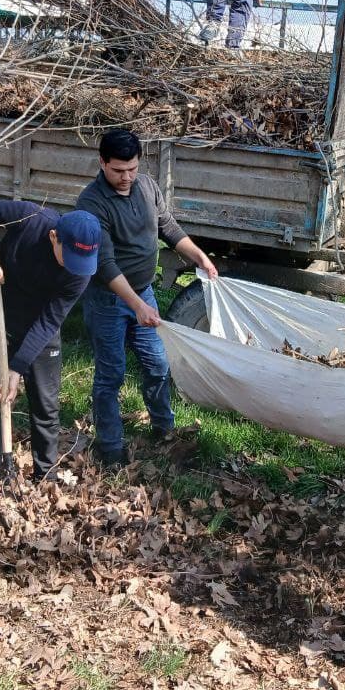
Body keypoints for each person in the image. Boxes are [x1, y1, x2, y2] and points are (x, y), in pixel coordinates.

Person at [76, 129, 219, 468]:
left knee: (157, 364)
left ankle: (163, 428)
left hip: (143, 293)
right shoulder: (92, 203)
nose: (126, 178)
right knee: (111, 373)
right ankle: (109, 446)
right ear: (101, 163)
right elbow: (105, 265)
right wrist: (137, 306)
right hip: (108, 301)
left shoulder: (147, 187)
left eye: (132, 169)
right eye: (118, 171)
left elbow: (167, 227)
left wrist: (199, 256)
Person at [0, 198, 102, 490]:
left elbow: (49, 321)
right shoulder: (31, 218)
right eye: (68, 256)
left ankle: (45, 479)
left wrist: (17, 368)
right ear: (53, 237)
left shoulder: (81, 273)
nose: (74, 267)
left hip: (41, 329)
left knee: (46, 405)